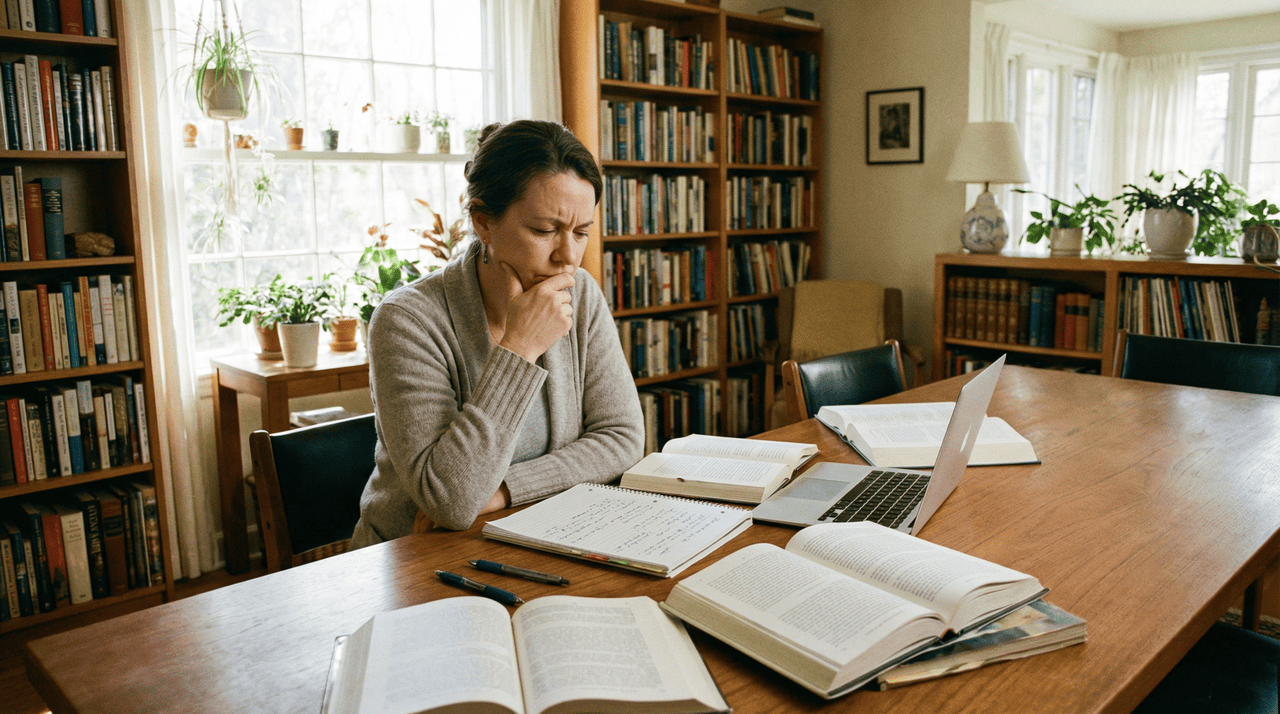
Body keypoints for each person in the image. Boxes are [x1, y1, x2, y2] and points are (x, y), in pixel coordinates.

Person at [350, 120, 644, 546]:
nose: (568, 257)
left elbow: (622, 437)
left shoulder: (581, 296)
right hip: (415, 554)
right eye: (545, 230)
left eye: (581, 233)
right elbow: (449, 500)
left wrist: (505, 490)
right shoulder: (406, 321)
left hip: (540, 535)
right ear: (483, 222)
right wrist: (520, 348)